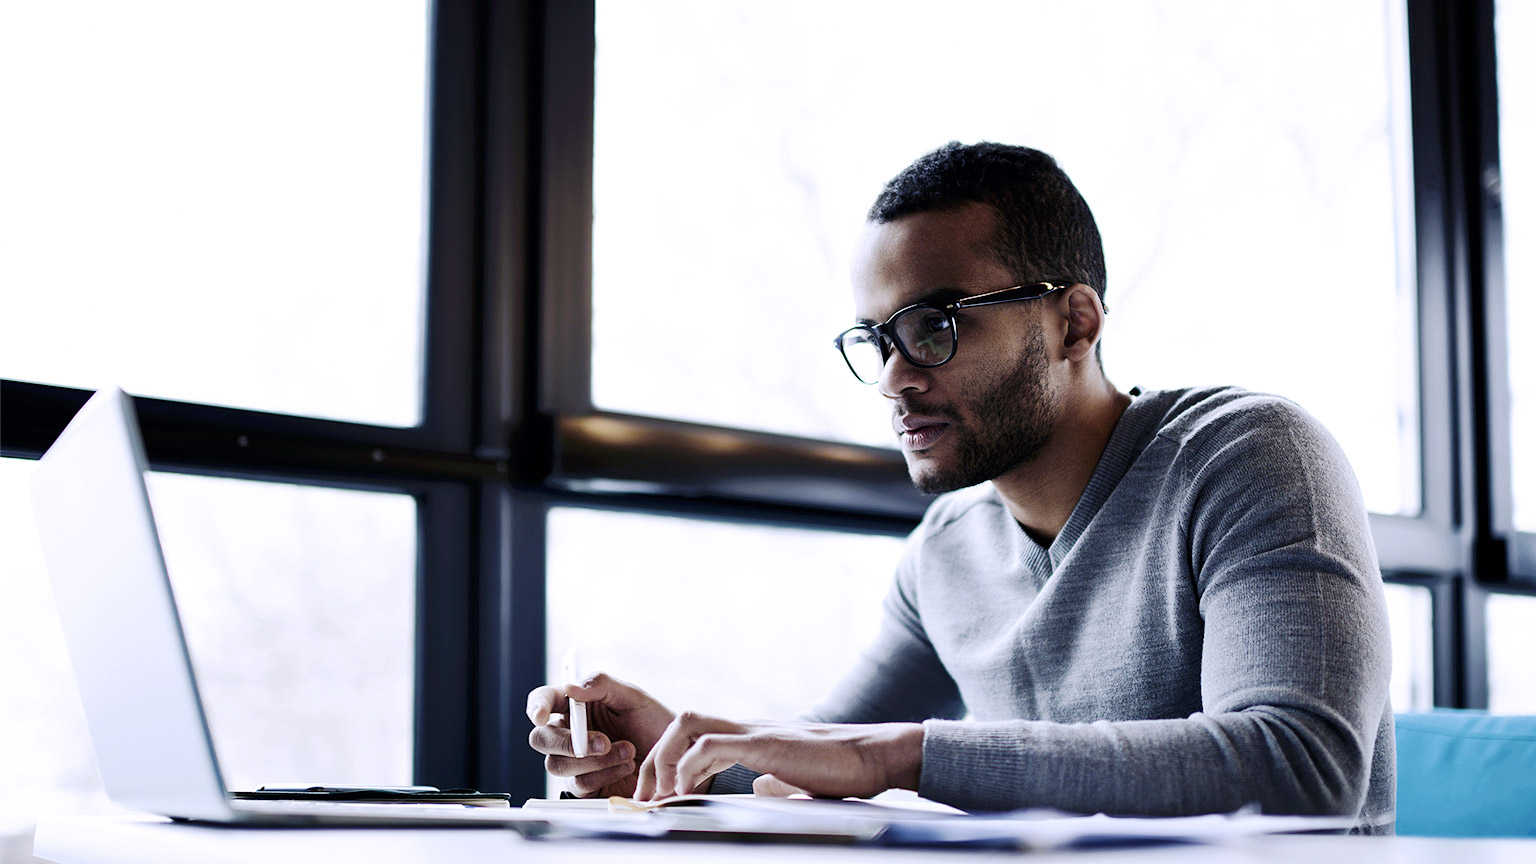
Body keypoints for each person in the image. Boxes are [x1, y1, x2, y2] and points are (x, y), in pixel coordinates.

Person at [526, 141, 1395, 833]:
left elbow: (1300, 771)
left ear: (1074, 321)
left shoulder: (1249, 456)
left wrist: (904, 757)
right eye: (877, 340)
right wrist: (679, 747)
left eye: (934, 325)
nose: (895, 379)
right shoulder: (947, 552)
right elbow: (828, 750)